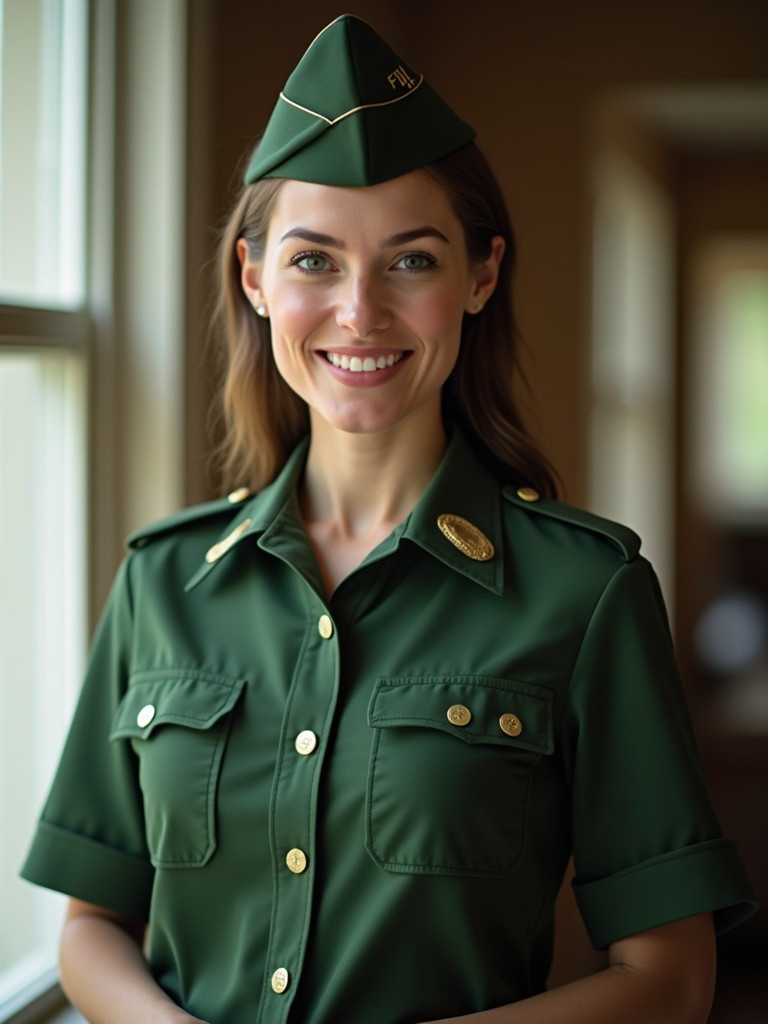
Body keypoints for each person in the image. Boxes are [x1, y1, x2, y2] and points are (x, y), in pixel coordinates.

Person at [21, 14, 757, 1024]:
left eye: (411, 260)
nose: (359, 312)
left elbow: (671, 982)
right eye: (314, 261)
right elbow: (91, 922)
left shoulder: (587, 591)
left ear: (480, 277)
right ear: (254, 277)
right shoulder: (163, 578)